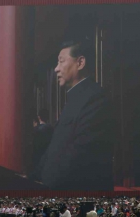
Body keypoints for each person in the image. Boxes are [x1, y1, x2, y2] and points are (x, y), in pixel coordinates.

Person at [34, 39, 115, 190]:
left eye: (61, 61)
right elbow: (54, 149)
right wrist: (34, 178)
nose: (56, 69)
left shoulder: (96, 99)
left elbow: (80, 155)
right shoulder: (73, 99)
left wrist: (45, 183)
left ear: (80, 63)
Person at [32, 109, 54, 174]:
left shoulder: (35, 130)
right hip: (48, 158)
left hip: (37, 158)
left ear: (39, 117)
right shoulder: (52, 129)